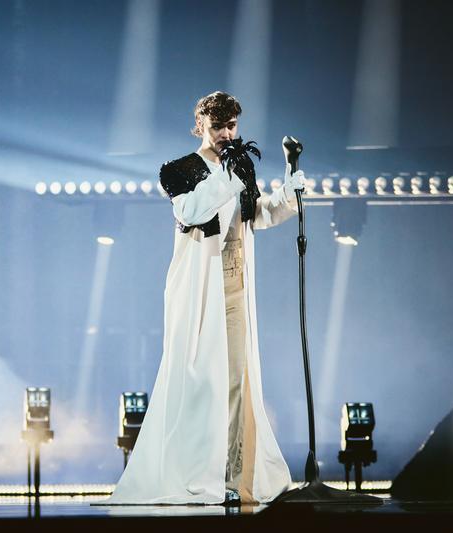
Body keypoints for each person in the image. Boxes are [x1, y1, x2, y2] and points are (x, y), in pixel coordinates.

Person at [104, 91, 305, 505]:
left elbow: (259, 215)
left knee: (235, 383)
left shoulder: (240, 168)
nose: (227, 134)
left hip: (235, 287)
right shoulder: (179, 169)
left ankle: (232, 475)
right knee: (199, 382)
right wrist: (229, 177)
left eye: (232, 126)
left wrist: (287, 192)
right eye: (218, 127)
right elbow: (192, 211)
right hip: (198, 291)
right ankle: (196, 474)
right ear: (200, 126)